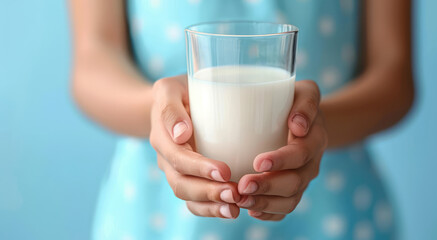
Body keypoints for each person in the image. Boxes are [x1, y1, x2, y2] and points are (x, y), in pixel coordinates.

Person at [70, 0, 414, 239]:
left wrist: (316, 127)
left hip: (333, 214)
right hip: (158, 219)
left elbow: (394, 80)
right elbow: (92, 61)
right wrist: (158, 115)